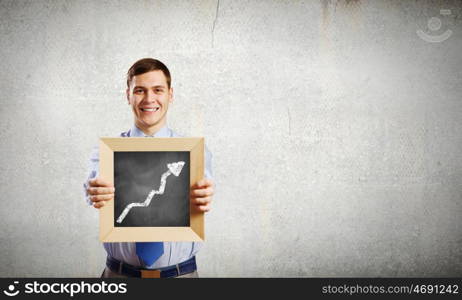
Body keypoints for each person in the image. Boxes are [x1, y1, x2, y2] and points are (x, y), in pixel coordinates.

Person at [83, 58, 214, 278]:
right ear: (128, 95)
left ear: (170, 95)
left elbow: (205, 191)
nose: (149, 99)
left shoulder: (195, 152)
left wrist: (205, 194)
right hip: (119, 277)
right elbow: (92, 187)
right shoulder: (106, 152)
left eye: (158, 90)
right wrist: (94, 191)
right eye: (140, 90)